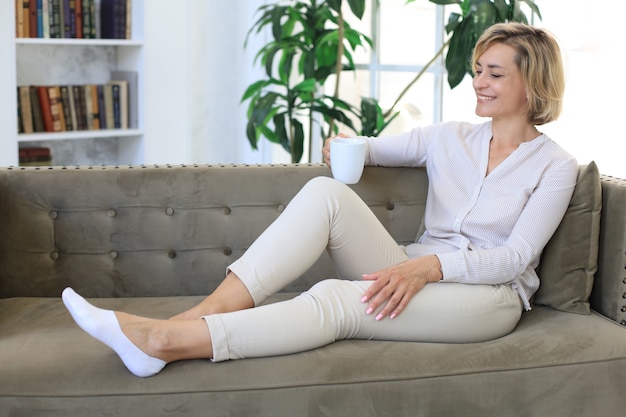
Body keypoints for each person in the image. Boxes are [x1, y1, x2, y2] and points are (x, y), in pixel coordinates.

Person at [62, 22, 578, 378]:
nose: (479, 81)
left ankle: (165, 343)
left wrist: (430, 269)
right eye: (479, 69)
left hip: (487, 299)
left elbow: (517, 257)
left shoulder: (555, 166)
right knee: (326, 192)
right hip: (411, 266)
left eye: (494, 73)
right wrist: (342, 146)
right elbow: (369, 147)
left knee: (337, 299)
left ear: (532, 85)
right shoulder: (450, 138)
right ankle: (195, 318)